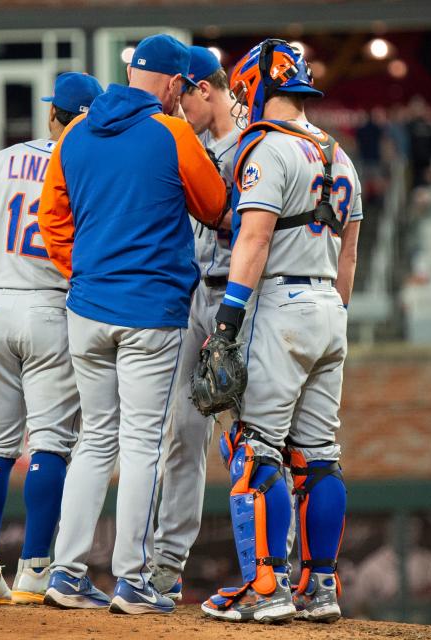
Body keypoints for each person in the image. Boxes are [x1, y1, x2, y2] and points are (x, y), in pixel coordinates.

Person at [38, 34, 226, 615]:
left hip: (86, 309)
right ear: (174, 83)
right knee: (143, 443)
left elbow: (52, 220)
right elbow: (216, 206)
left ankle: (65, 573)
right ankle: (132, 580)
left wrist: (87, 273)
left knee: (94, 440)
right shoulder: (170, 133)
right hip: (152, 313)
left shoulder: (73, 134)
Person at [198, 39, 361, 624]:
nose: (243, 105)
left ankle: (264, 587)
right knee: (320, 458)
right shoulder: (339, 153)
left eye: (245, 94)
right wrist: (333, 318)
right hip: (329, 310)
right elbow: (349, 258)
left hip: (281, 303)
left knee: (254, 449)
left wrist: (226, 324)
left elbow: (254, 240)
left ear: (261, 89)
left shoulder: (266, 148)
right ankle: (321, 587)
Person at [0, 72, 103, 607]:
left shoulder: (5, 159)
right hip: (53, 311)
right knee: (51, 444)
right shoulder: (90, 163)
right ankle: (34, 571)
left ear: (54, 112)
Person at [152, 45, 239, 603]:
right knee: (181, 432)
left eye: (183, 95)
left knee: (254, 438)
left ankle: (272, 566)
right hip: (193, 301)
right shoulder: (191, 145)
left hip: (241, 301)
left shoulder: (257, 141)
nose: (179, 107)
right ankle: (166, 563)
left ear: (203, 88)